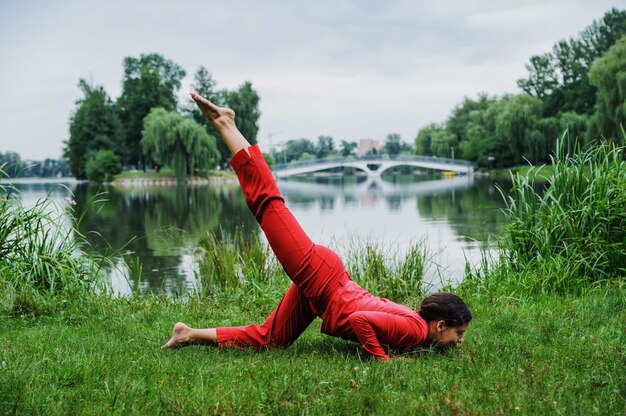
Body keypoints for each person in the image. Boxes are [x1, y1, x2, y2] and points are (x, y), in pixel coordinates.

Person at [162, 92, 472, 361]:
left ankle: (187, 334)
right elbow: (363, 320)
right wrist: (382, 359)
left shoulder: (417, 333)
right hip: (323, 278)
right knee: (268, 206)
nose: (460, 341)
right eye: (459, 333)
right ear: (440, 325)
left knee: (272, 339)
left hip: (325, 290)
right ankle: (227, 124)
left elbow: (376, 323)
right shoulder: (415, 329)